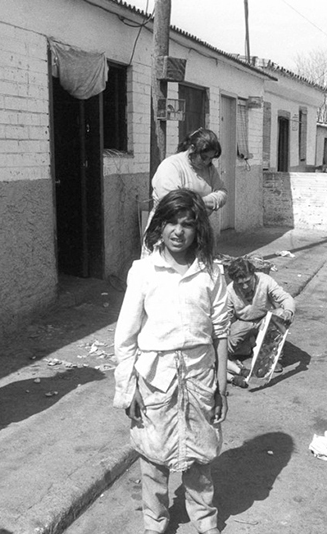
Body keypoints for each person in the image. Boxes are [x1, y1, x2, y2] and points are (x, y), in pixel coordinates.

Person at [114, 188, 228, 534]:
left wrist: (221, 385)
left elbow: (220, 331)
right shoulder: (144, 271)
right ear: (159, 226)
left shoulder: (210, 272)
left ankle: (205, 520)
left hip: (198, 379)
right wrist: (127, 386)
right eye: (171, 223)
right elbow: (126, 336)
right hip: (155, 381)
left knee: (199, 458)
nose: (178, 231)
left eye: (187, 224)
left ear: (199, 231)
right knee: (153, 458)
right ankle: (156, 521)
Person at [142, 129, 227, 256]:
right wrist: (201, 204)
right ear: (192, 149)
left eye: (211, 159)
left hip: (196, 228)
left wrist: (202, 202)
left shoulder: (209, 169)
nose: (207, 162)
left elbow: (222, 192)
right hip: (169, 226)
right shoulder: (171, 166)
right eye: (204, 157)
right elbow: (172, 203)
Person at [224, 257, 295, 388]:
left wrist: (288, 311)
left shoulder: (265, 280)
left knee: (279, 313)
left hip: (265, 318)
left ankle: (274, 358)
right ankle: (251, 346)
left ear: (253, 274)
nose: (245, 286)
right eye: (240, 284)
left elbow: (285, 297)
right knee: (228, 344)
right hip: (244, 321)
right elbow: (226, 316)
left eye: (247, 281)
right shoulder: (229, 291)